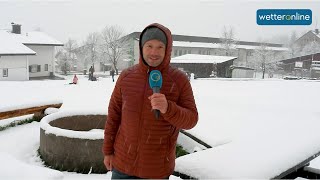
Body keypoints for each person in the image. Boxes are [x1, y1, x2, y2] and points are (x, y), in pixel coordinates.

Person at [102, 23, 198, 179]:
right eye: (149, 46)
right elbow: (113, 117)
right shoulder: (126, 76)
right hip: (122, 167)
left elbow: (191, 119)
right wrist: (108, 152)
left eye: (160, 47)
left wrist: (169, 108)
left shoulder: (179, 80)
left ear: (167, 50)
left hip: (157, 170)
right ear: (141, 47)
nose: (154, 52)